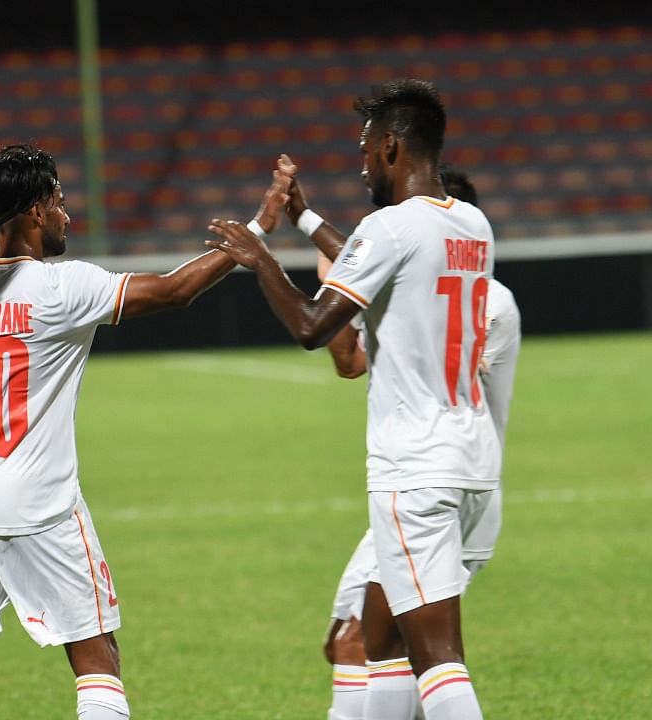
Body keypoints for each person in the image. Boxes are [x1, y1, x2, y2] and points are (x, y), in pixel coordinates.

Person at [0, 143, 287, 720]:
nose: (66, 214)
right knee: (97, 658)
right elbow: (175, 291)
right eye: (58, 201)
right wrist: (254, 233)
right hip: (37, 504)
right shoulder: (59, 288)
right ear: (33, 212)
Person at [207, 79, 497, 720]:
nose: (362, 164)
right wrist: (308, 218)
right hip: (471, 459)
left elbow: (315, 325)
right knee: (383, 641)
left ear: (392, 148)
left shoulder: (389, 226)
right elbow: (388, 266)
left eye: (366, 151)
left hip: (414, 466)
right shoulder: (474, 224)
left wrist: (260, 260)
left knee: (437, 656)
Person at [279, 164, 519, 720]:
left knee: (396, 648)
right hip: (445, 480)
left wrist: (325, 270)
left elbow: (344, 354)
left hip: (432, 483)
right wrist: (312, 224)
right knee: (368, 641)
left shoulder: (475, 303)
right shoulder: (473, 288)